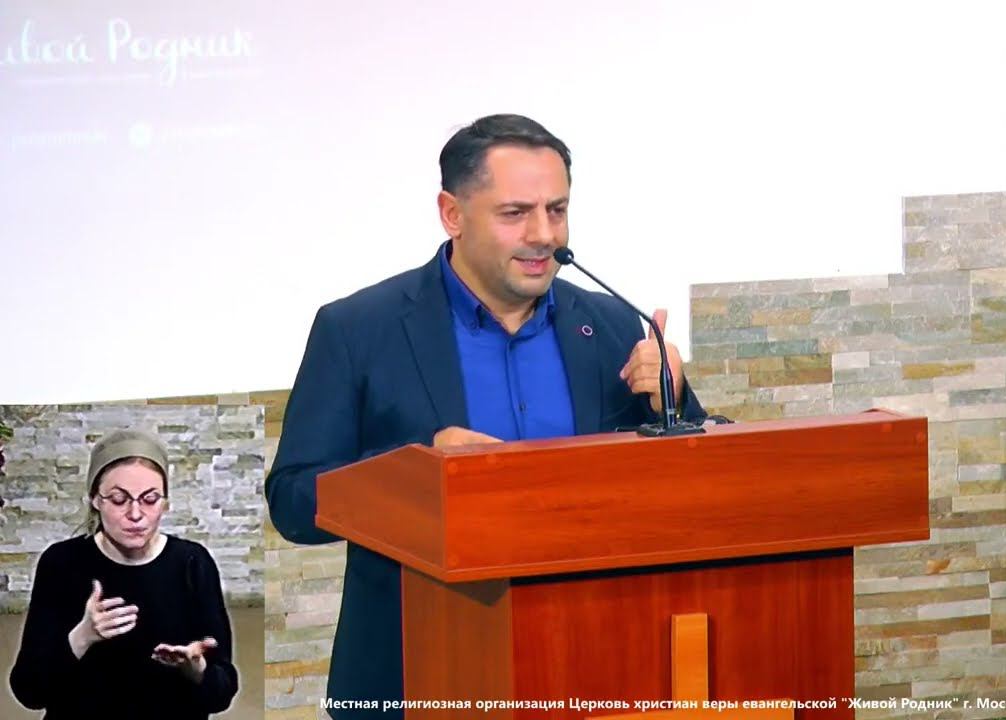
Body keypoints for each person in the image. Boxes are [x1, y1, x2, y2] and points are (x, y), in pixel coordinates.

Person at [265, 113, 705, 717]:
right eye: (515, 213)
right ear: (452, 214)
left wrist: (674, 398)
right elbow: (293, 501)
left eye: (557, 210)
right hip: (418, 675)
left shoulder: (608, 324)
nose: (544, 234)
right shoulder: (358, 330)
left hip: (594, 666)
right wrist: (417, 472)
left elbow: (696, 480)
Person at [8, 429, 238, 719]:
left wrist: (197, 669)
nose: (136, 514)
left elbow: (223, 692)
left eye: (150, 499)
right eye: (119, 499)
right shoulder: (62, 563)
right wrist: (82, 637)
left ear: (165, 502)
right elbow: (29, 690)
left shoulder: (193, 563)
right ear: (95, 499)